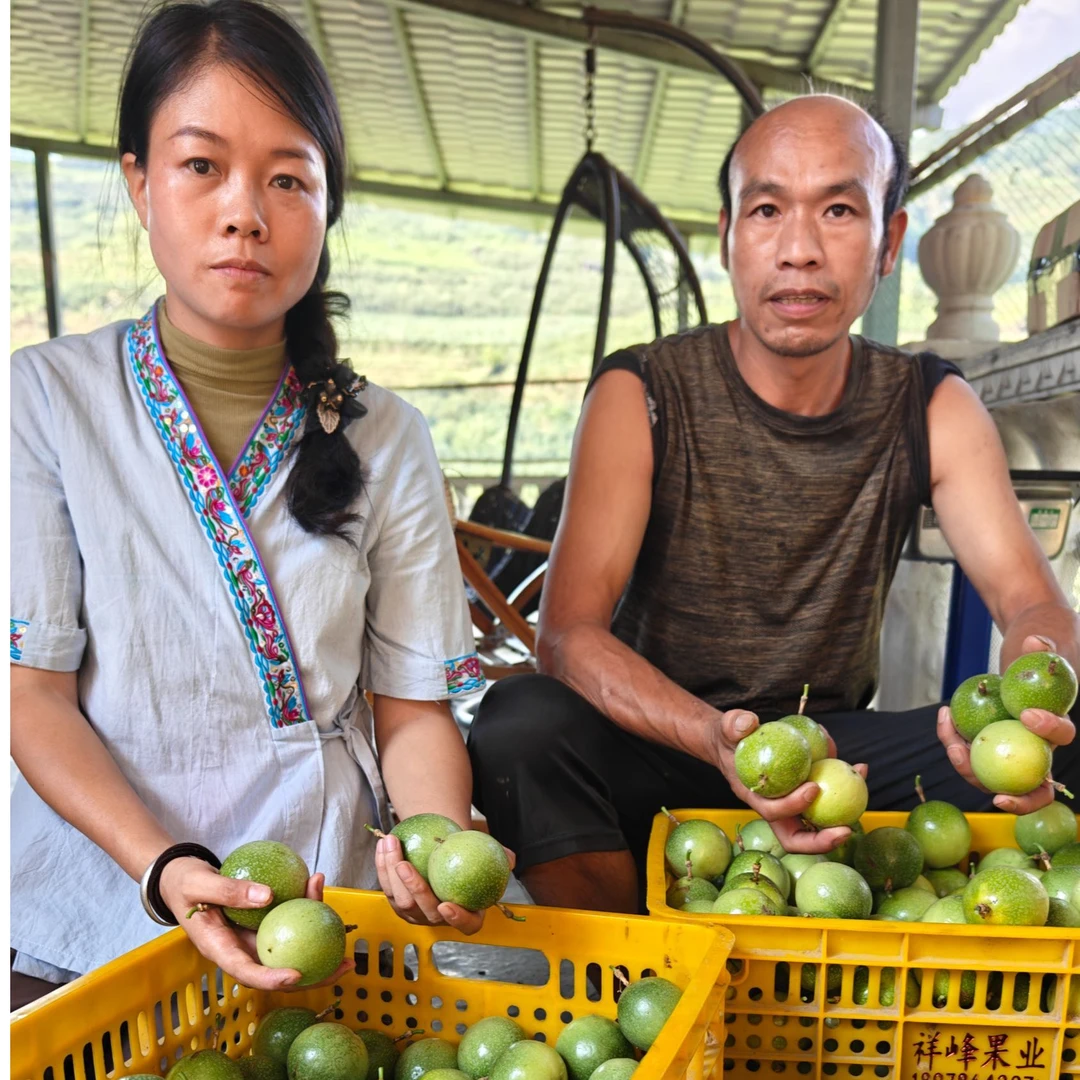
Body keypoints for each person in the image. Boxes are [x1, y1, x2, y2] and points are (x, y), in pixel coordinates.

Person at [467, 94, 1079, 914]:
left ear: (888, 242)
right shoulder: (642, 390)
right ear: (727, 234)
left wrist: (1032, 707)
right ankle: (630, 974)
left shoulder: (928, 402)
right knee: (520, 726)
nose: (799, 250)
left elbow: (1028, 596)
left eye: (837, 209)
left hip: (831, 756)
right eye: (767, 209)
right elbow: (569, 633)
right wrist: (716, 743)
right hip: (662, 742)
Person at [10, 0, 498, 1011]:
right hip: (98, 895)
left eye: (288, 179)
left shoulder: (387, 436)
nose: (246, 211)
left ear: (327, 207)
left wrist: (432, 837)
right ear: (139, 181)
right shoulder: (44, 401)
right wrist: (163, 868)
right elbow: (32, 700)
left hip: (316, 903)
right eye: (201, 166)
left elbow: (413, 712)